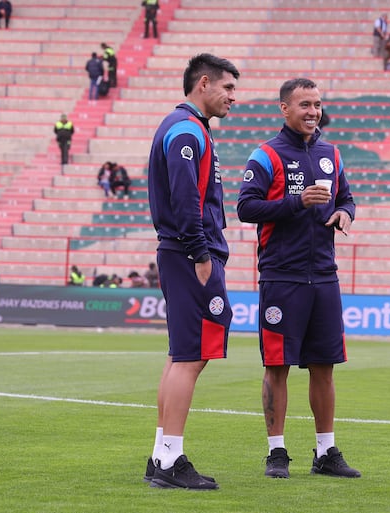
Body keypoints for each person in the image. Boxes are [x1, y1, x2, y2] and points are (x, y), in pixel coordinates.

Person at [237, 78, 359, 480]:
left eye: (318, 104)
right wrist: (296, 202)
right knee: (277, 365)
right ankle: (276, 452)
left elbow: (347, 198)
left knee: (325, 366)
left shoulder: (331, 154)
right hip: (281, 276)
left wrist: (345, 213)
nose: (313, 111)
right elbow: (246, 207)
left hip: (324, 276)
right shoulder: (266, 154)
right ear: (284, 109)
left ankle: (326, 452)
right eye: (304, 104)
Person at [145, 53, 239, 490]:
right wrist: (202, 256)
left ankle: (162, 453)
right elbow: (186, 200)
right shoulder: (186, 129)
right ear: (204, 84)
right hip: (189, 255)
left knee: (180, 355)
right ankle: (169, 461)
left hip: (181, 252)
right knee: (190, 357)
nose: (232, 98)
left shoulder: (187, 127)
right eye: (228, 88)